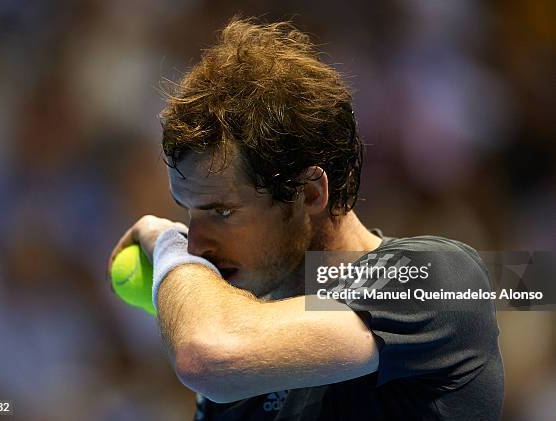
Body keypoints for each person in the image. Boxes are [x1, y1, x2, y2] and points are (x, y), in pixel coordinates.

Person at [109, 18, 504, 420]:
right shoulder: (238, 383)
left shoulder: (440, 277)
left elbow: (205, 354)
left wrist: (167, 246)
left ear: (310, 193)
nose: (196, 243)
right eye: (185, 214)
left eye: (222, 212)